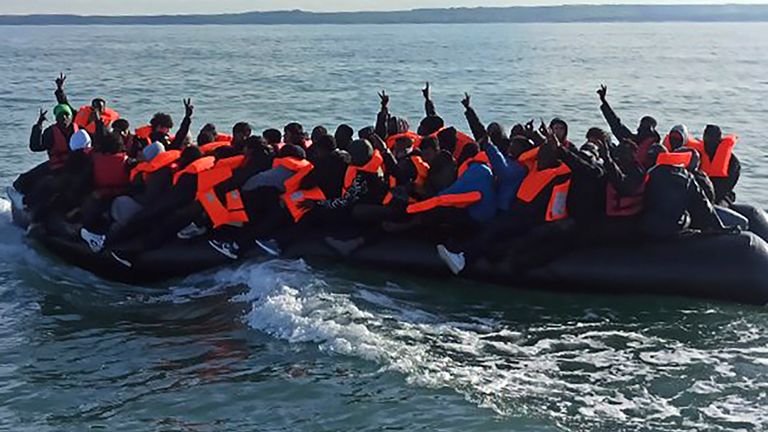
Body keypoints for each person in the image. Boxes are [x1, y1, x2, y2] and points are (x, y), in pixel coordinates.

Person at [640, 145, 731, 239]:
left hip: (647, 227)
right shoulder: (686, 177)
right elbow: (703, 205)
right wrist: (719, 228)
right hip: (673, 228)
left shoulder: (648, 174)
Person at [14, 103, 79, 196]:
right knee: (23, 180)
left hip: (75, 166)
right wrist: (39, 125)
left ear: (71, 117)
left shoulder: (80, 130)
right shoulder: (51, 132)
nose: (64, 117)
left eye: (66, 115)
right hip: (57, 166)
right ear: (56, 118)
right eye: (60, 115)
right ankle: (23, 199)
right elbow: (35, 147)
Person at [597, 84, 661, 168]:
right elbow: (616, 124)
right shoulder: (632, 140)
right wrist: (604, 101)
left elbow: (616, 125)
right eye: (640, 126)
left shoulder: (655, 150)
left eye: (643, 127)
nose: (638, 129)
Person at [688, 124, 740, 206]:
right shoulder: (697, 155)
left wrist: (710, 199)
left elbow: (728, 185)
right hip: (699, 194)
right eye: (706, 137)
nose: (708, 141)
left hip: (722, 197)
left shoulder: (732, 162)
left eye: (711, 138)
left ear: (718, 140)